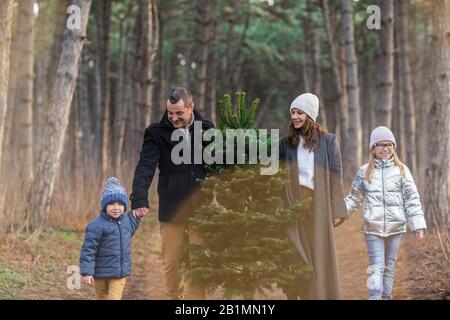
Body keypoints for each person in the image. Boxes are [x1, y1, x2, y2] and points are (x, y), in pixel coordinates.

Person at [130, 87, 214, 300]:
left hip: (201, 207)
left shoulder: (207, 130)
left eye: (179, 113)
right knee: (172, 261)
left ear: (191, 108)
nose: (174, 118)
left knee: (199, 262)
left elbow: (219, 165)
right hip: (172, 207)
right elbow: (145, 167)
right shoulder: (156, 133)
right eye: (170, 113)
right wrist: (139, 198)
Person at [279, 92, 348, 300]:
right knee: (295, 254)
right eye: (292, 112)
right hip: (292, 205)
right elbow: (271, 173)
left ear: (310, 115)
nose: (295, 117)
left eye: (299, 112)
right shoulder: (285, 143)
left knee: (317, 255)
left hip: (318, 206)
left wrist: (337, 209)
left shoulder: (328, 142)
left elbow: (336, 177)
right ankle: (294, 295)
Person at [345, 126, 426, 300]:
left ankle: (386, 296)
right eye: (381, 145)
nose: (385, 149)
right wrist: (338, 214)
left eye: (389, 145)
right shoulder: (364, 171)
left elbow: (412, 198)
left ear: (394, 147)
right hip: (372, 227)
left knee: (389, 266)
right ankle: (374, 296)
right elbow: (353, 198)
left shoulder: (402, 170)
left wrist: (417, 224)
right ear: (373, 148)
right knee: (376, 266)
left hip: (396, 227)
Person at [79, 177, 140, 300]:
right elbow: (88, 250)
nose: (116, 208)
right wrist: (87, 272)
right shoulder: (96, 225)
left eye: (120, 204)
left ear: (124, 206)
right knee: (101, 297)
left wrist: (140, 208)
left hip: (119, 274)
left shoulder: (128, 222)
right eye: (111, 204)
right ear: (104, 206)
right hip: (100, 274)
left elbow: (137, 213)